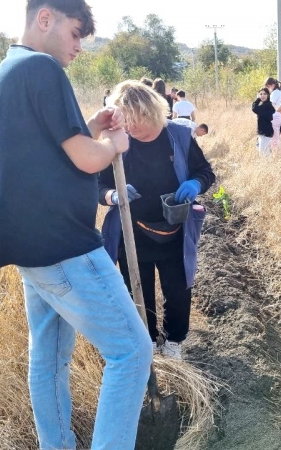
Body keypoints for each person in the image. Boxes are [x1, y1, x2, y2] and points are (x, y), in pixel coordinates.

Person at [0, 2, 151, 449]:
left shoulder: (8, 70)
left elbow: (45, 146)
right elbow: (85, 156)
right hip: (64, 246)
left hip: (28, 248)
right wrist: (114, 143)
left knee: (50, 360)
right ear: (45, 18)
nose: (78, 46)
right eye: (75, 33)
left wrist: (91, 125)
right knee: (133, 353)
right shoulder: (42, 68)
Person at [99, 80, 215, 361]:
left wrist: (195, 184)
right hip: (132, 234)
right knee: (138, 292)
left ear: (153, 112)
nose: (132, 128)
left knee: (178, 290)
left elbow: (205, 172)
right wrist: (114, 195)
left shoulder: (179, 136)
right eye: (126, 122)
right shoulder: (116, 143)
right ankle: (147, 340)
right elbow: (98, 186)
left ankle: (173, 340)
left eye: (138, 121)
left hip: (174, 229)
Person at [252, 87, 275, 157]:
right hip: (265, 133)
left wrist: (258, 99)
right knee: (266, 153)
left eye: (264, 94)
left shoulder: (267, 105)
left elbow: (254, 108)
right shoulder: (267, 104)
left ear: (268, 95)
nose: (262, 96)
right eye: (261, 94)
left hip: (265, 133)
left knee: (264, 154)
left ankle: (268, 167)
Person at [265, 77, 281, 152]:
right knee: (275, 136)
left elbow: (270, 104)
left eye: (268, 86)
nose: (268, 88)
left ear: (272, 85)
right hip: (276, 116)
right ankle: (276, 153)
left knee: (274, 137)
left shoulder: (275, 93)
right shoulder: (278, 92)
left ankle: (276, 153)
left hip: (274, 117)